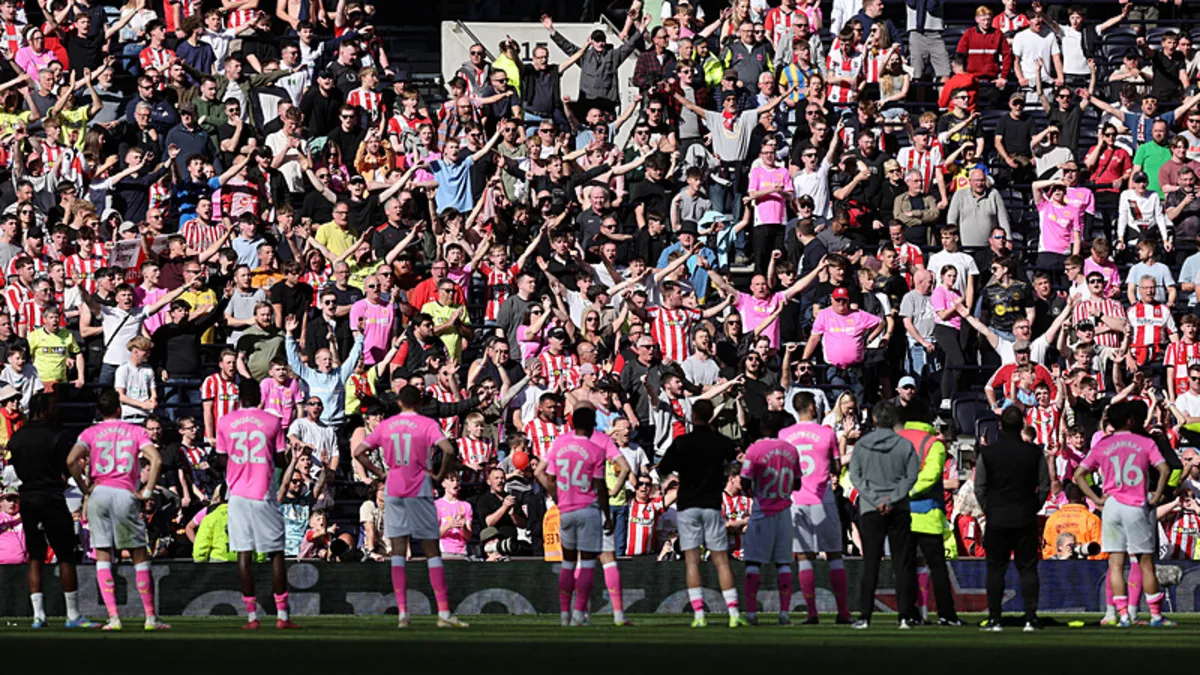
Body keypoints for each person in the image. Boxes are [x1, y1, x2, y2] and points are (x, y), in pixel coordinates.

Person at [352, 385, 469, 629]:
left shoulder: (387, 425)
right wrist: (438, 473)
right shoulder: (426, 424)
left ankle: (403, 614)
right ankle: (444, 612)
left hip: (394, 488)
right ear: (419, 402)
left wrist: (380, 473)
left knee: (397, 551)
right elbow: (448, 449)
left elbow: (359, 452)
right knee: (431, 551)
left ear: (399, 402)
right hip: (420, 489)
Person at [65, 389, 168, 631]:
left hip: (99, 493)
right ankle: (150, 618)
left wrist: (85, 487)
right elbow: (157, 460)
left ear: (99, 411)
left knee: (103, 553)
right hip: (124, 492)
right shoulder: (135, 431)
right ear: (119, 409)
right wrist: (147, 491)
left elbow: (71, 461)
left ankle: (114, 618)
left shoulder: (89, 432)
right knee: (138, 554)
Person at [1073, 400, 1174, 628]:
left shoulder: (1102, 445)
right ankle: (1156, 616)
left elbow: (1079, 474)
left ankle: (1122, 616)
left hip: (1111, 506)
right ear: (1130, 420)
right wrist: (1157, 496)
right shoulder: (1144, 442)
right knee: (1144, 563)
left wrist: (1097, 499)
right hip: (1135, 504)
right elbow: (1165, 468)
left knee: (1115, 565)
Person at [211, 384, 299, 631]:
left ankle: (252, 617)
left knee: (243, 553)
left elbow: (221, 458)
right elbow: (281, 458)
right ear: (261, 398)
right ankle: (282, 615)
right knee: (276, 553)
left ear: (239, 399)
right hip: (263, 493)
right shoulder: (272, 421)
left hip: (237, 494)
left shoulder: (226, 421)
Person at [7, 393, 95, 628]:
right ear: (45, 409)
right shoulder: (58, 435)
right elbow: (67, 464)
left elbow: (15, 468)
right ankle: (73, 615)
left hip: (27, 498)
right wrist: (81, 484)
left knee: (35, 557)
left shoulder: (17, 437)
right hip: (52, 497)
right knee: (65, 555)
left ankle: (39, 615)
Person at [656, 399, 743, 628]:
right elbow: (734, 457)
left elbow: (664, 468)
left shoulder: (682, 442)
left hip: (687, 505)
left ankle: (699, 615)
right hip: (712, 504)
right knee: (721, 560)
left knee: (692, 561)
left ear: (693, 416)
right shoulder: (720, 442)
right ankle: (733, 613)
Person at [534, 404, 611, 626]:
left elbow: (547, 476)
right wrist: (607, 514)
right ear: (593, 425)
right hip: (588, 509)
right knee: (587, 564)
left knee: (567, 563)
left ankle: (564, 613)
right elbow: (601, 485)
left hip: (566, 510)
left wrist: (557, 496)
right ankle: (579, 612)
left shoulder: (559, 445)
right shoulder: (596, 450)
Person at [976, 406, 1051, 632]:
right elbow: (1045, 485)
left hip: (997, 518)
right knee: (1028, 568)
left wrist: (990, 508)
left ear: (1000, 426)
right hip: (1024, 517)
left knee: (995, 569)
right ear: (1022, 426)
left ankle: (995, 619)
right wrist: (1032, 506)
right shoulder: (1034, 452)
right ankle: (1031, 618)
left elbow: (980, 487)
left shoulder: (988, 453)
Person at [782, 392, 852, 624]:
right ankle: (843, 611)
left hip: (797, 501)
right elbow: (836, 465)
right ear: (812, 407)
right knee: (834, 555)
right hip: (823, 499)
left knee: (804, 558)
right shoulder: (826, 433)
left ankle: (812, 613)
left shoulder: (785, 435)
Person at [849, 401, 920, 630]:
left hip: (871, 509)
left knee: (870, 564)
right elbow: (911, 477)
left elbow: (856, 477)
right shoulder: (905, 445)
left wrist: (875, 499)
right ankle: (904, 617)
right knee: (902, 564)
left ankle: (865, 617)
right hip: (898, 508)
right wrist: (892, 498)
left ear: (874, 420)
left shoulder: (861, 445)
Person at [898, 399, 962, 626]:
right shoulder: (933, 443)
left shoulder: (896, 440)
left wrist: (898, 493)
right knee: (937, 567)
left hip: (900, 514)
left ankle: (907, 614)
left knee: (905, 566)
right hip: (928, 514)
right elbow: (933, 474)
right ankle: (946, 614)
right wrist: (912, 490)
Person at [739, 411, 801, 626]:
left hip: (762, 510)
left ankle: (751, 613)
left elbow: (744, 481)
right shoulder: (791, 450)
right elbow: (798, 483)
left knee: (753, 563)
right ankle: (784, 613)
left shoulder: (755, 449)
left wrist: (756, 490)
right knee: (783, 563)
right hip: (784, 510)